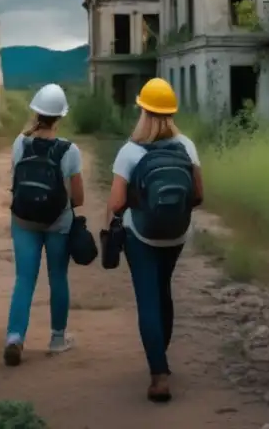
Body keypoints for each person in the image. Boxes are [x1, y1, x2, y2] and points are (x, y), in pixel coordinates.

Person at [106, 78, 202, 403]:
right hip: (175, 234)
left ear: (143, 111)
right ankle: (159, 355)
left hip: (141, 235)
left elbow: (117, 203)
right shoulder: (186, 146)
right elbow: (199, 195)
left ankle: (158, 374)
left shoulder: (130, 151)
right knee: (163, 292)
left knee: (147, 299)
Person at [4, 83, 85, 366]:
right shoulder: (69, 150)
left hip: (23, 220)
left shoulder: (20, 143)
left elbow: (14, 181)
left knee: (24, 279)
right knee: (57, 278)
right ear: (60, 116)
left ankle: (14, 337)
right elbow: (78, 197)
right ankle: (57, 338)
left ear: (35, 111)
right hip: (57, 223)